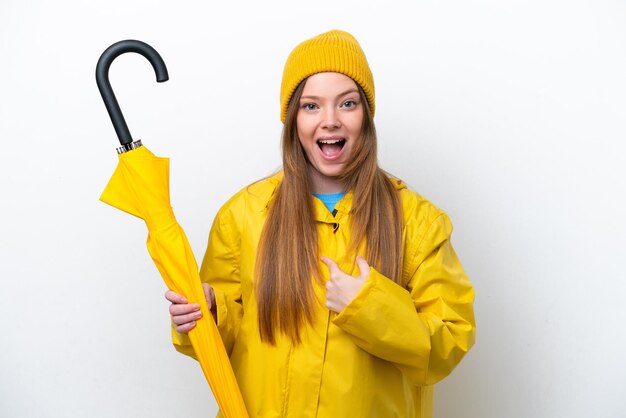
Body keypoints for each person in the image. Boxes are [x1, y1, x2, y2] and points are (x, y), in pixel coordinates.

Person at [165, 29, 475, 418]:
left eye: (347, 103)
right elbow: (225, 343)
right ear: (293, 118)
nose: (330, 121)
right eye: (312, 106)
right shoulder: (243, 214)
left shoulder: (417, 221)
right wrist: (208, 316)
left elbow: (449, 341)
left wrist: (370, 307)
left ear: (366, 116)